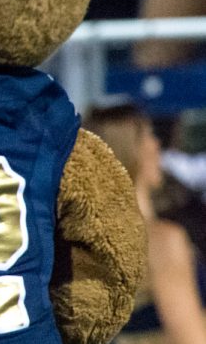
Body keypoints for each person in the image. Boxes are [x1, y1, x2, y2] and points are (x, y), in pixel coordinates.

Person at [84, 103, 206, 344]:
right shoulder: (161, 240)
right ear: (132, 151)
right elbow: (192, 337)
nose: (157, 144)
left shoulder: (88, 240)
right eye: (149, 135)